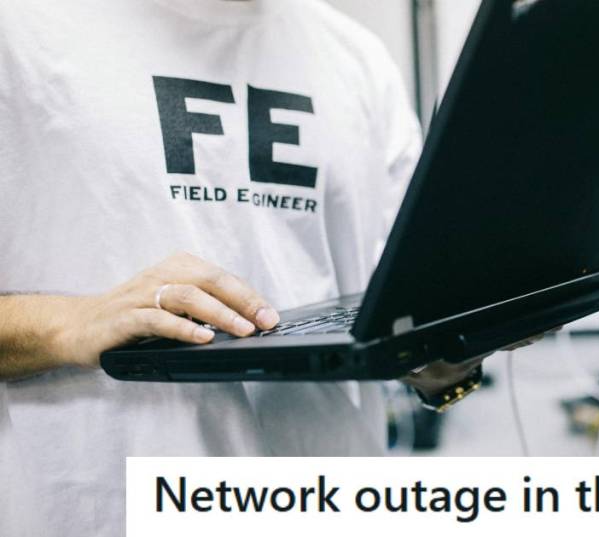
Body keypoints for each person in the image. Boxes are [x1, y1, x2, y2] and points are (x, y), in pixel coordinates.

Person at [0, 0, 480, 534]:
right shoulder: (19, 28)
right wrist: (68, 323)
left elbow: (399, 314)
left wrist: (449, 353)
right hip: (98, 509)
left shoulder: (358, 58)